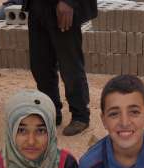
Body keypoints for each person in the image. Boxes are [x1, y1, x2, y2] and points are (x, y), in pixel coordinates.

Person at [23, 0, 97, 136]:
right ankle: (51, 111)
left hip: (61, 6)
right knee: (40, 65)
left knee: (70, 65)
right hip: (37, 6)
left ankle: (80, 116)